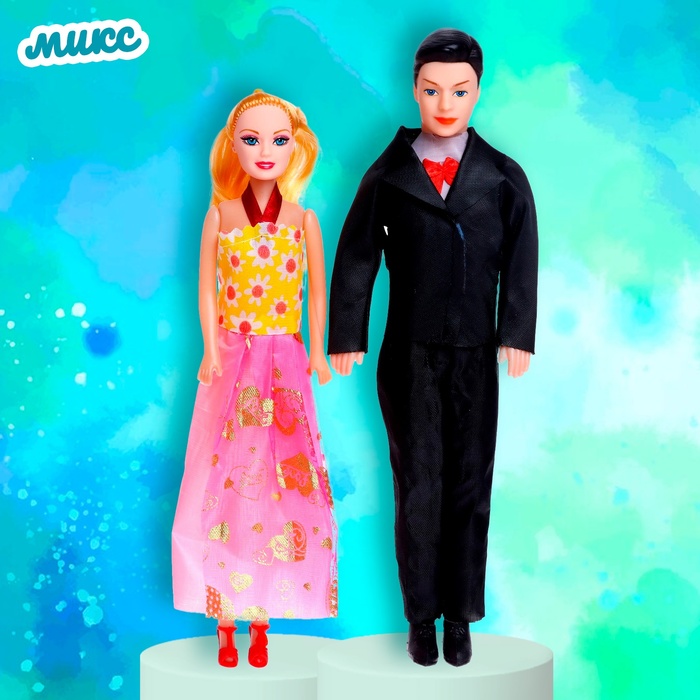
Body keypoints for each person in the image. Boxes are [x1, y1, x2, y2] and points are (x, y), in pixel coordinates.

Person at [328, 29, 537, 667]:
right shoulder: (390, 173)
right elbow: (357, 253)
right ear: (415, 90)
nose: (446, 104)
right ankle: (420, 616)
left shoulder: (502, 176)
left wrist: (516, 331)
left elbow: (522, 257)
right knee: (417, 481)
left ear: (478, 92)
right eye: (432, 90)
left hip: (476, 351)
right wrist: (347, 333)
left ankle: (460, 616)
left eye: (459, 91)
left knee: (471, 482)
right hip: (409, 354)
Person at [172, 90, 337, 669]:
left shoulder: (302, 220)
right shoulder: (220, 216)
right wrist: (209, 348)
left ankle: (262, 615)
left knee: (282, 479)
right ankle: (224, 615)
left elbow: (317, 294)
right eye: (251, 139)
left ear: (295, 148)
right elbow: (206, 289)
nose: (265, 150)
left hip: (284, 361)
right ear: (233, 147)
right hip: (232, 357)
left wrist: (318, 352)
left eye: (278, 139)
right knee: (222, 474)